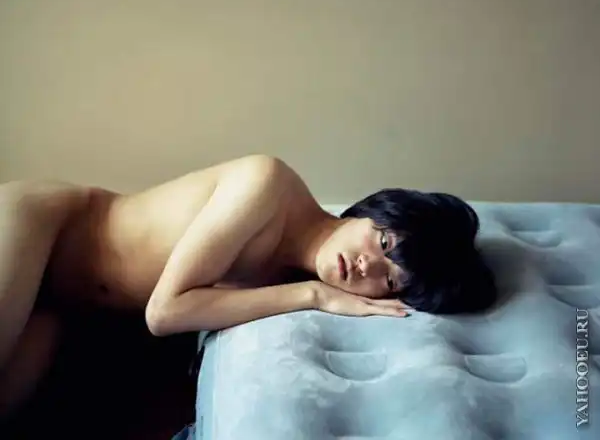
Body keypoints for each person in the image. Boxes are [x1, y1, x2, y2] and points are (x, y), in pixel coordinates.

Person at [0, 154, 495, 419]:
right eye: (383, 240)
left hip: (60, 303)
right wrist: (315, 295)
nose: (365, 266)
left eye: (388, 280)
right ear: (372, 210)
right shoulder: (267, 183)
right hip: (45, 226)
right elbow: (164, 313)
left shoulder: (287, 277)